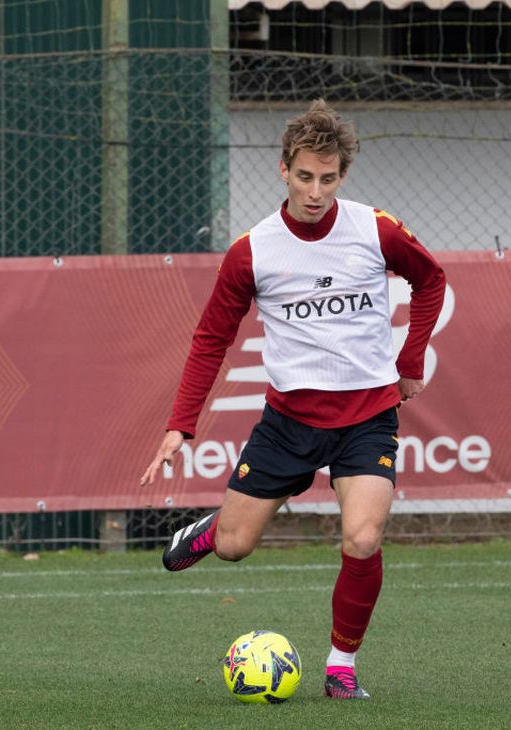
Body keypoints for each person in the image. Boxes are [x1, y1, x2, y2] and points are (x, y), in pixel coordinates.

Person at [140, 99, 446, 701]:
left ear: (343, 175)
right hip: (288, 423)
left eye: (327, 178)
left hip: (367, 417)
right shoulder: (252, 251)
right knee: (235, 547)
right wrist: (180, 425)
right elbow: (211, 338)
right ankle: (211, 531)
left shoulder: (375, 229)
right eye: (304, 176)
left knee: (363, 538)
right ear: (283, 169)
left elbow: (430, 279)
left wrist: (409, 364)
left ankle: (340, 667)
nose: (315, 191)